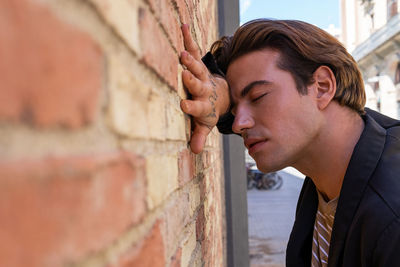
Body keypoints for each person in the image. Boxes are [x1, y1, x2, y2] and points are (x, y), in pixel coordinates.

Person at [180, 19, 400, 266]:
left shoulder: (391, 218)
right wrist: (219, 99)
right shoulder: (333, 157)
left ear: (322, 87)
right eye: (234, 107)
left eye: (257, 96)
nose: (237, 124)